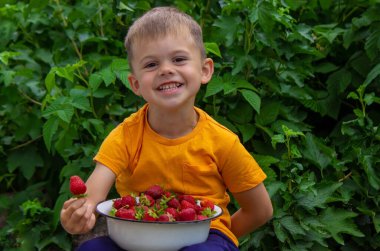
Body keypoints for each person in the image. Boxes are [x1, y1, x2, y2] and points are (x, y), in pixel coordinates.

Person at [60, 6, 273, 251]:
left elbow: (260, 210)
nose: (165, 70)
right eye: (151, 64)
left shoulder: (222, 142)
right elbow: (92, 196)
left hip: (203, 237)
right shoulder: (126, 136)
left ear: (205, 70)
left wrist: (220, 235)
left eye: (179, 59)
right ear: (136, 84)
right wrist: (77, 215)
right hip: (135, 235)